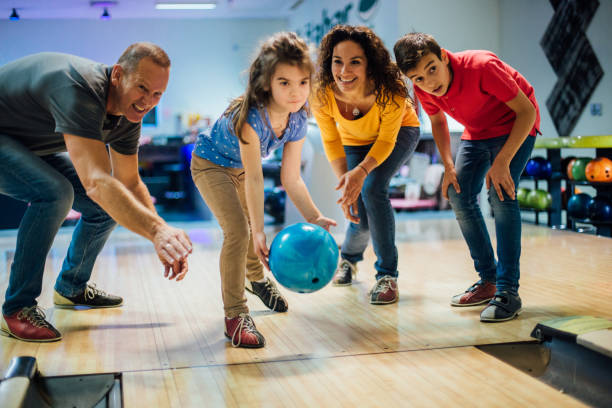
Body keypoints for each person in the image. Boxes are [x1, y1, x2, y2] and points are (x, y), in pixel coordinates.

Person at [0, 43, 193, 342]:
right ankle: (17, 307)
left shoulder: (129, 116)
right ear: (118, 75)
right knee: (56, 192)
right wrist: (156, 232)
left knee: (105, 206)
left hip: (22, 142)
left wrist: (163, 232)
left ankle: (71, 287)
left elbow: (128, 183)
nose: (148, 102)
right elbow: (97, 182)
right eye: (142, 88)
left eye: (157, 94)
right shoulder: (78, 89)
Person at [190, 32, 336, 349]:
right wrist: (259, 230)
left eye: (303, 82)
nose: (296, 91)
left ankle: (256, 280)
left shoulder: (297, 118)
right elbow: (256, 178)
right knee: (240, 232)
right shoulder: (251, 118)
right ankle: (235, 316)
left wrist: (315, 216)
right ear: (267, 82)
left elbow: (291, 178)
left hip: (241, 170)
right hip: (210, 165)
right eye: (284, 82)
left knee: (248, 231)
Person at [394, 33, 540, 322]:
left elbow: (527, 111)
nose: (429, 82)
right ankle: (489, 281)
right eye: (418, 78)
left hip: (515, 125)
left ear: (444, 56)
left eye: (432, 68)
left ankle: (508, 291)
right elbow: (437, 121)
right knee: (458, 194)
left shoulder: (481, 67)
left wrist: (503, 160)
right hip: (477, 131)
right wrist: (448, 166)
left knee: (500, 193)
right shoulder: (422, 88)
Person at [311, 25, 420, 305]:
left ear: (369, 63)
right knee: (357, 202)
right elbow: (331, 139)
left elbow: (385, 141)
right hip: (353, 141)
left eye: (354, 62)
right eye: (338, 62)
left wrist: (360, 173)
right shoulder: (322, 93)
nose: (344, 71)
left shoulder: (390, 89)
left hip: (399, 134)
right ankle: (348, 259)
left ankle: (386, 276)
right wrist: (346, 186)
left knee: (372, 188)